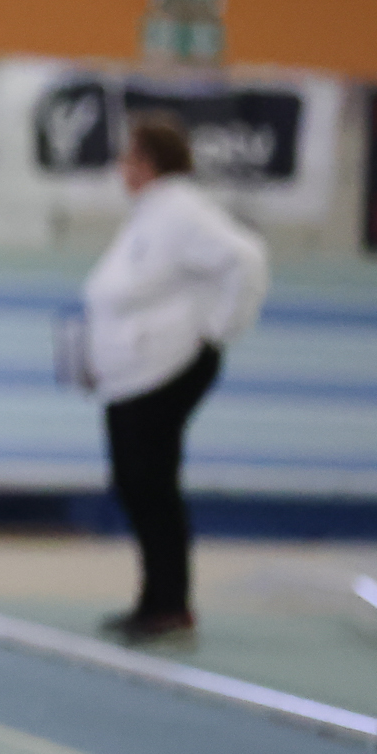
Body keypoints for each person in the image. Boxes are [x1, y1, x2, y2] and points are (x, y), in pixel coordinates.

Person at [79, 113, 268, 647]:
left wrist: (219, 329)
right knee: (135, 484)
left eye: (128, 157)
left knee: (151, 484)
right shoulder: (152, 213)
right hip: (133, 374)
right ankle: (155, 597)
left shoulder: (182, 212)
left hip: (165, 368)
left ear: (148, 162)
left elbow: (245, 259)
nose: (121, 167)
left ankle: (170, 603)